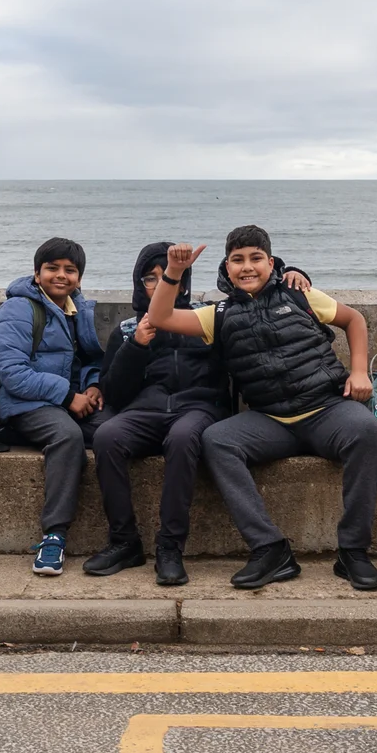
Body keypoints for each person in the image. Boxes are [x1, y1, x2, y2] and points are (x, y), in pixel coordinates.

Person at [143, 228, 377, 592]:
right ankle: (270, 549)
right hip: (270, 420)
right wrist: (174, 271)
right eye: (237, 260)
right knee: (216, 440)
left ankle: (353, 551)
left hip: (327, 409)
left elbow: (354, 320)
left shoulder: (299, 294)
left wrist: (360, 370)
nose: (247, 267)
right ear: (227, 267)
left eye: (255, 258)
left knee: (367, 431)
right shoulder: (218, 315)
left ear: (270, 263)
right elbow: (161, 317)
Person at [89, 243, 228, 586]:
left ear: (183, 281)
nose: (158, 283)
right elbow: (114, 393)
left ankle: (170, 546)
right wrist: (136, 346)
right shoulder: (126, 329)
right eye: (149, 278)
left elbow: (249, 302)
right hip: (145, 411)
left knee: (182, 438)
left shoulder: (205, 319)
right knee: (107, 436)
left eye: (165, 276)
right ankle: (124, 542)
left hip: (197, 408)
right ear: (139, 284)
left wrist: (291, 273)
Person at [0, 236, 106, 577]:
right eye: (52, 268)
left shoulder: (77, 309)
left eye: (70, 270)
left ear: (79, 278)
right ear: (36, 273)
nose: (61, 275)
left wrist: (93, 385)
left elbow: (90, 358)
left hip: (69, 401)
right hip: (25, 403)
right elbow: (12, 373)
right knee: (67, 437)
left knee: (116, 432)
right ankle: (54, 535)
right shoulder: (18, 309)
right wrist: (68, 396)